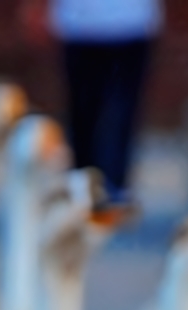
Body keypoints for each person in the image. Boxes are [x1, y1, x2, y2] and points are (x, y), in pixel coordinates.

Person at [21, 0, 162, 202]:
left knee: (120, 112)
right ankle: (84, 186)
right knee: (83, 113)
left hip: (130, 22)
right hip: (82, 23)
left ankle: (113, 186)